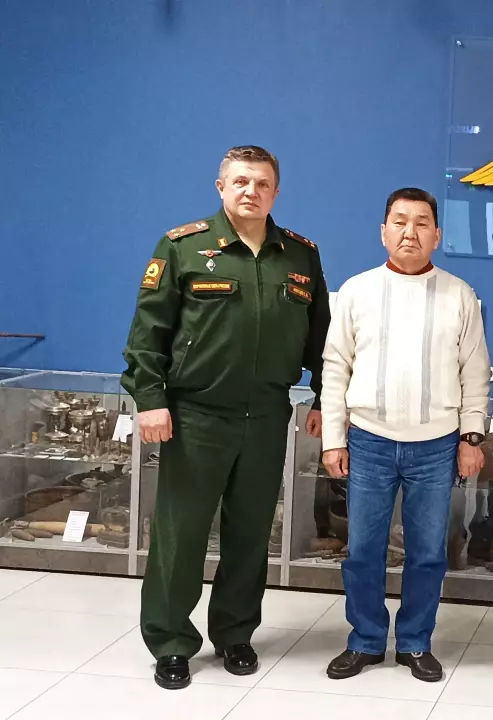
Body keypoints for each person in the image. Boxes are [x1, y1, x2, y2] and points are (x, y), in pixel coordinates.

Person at [121, 145, 330, 690]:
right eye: (240, 181)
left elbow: (322, 340)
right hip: (196, 415)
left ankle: (236, 634)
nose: (250, 191)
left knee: (251, 533)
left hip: (266, 417)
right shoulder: (183, 247)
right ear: (221, 187)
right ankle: (171, 641)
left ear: (276, 192)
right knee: (181, 534)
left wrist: (325, 399)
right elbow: (148, 333)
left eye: (261, 183)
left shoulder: (300, 255)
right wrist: (150, 398)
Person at [319, 187, 491, 683]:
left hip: (436, 446)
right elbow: (335, 368)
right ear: (383, 232)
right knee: (362, 551)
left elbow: (475, 373)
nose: (409, 232)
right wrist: (334, 439)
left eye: (421, 223)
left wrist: (472, 438)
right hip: (368, 442)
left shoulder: (459, 295)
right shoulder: (356, 291)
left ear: (437, 234)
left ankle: (415, 641)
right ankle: (366, 639)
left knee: (428, 553)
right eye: (399, 221)